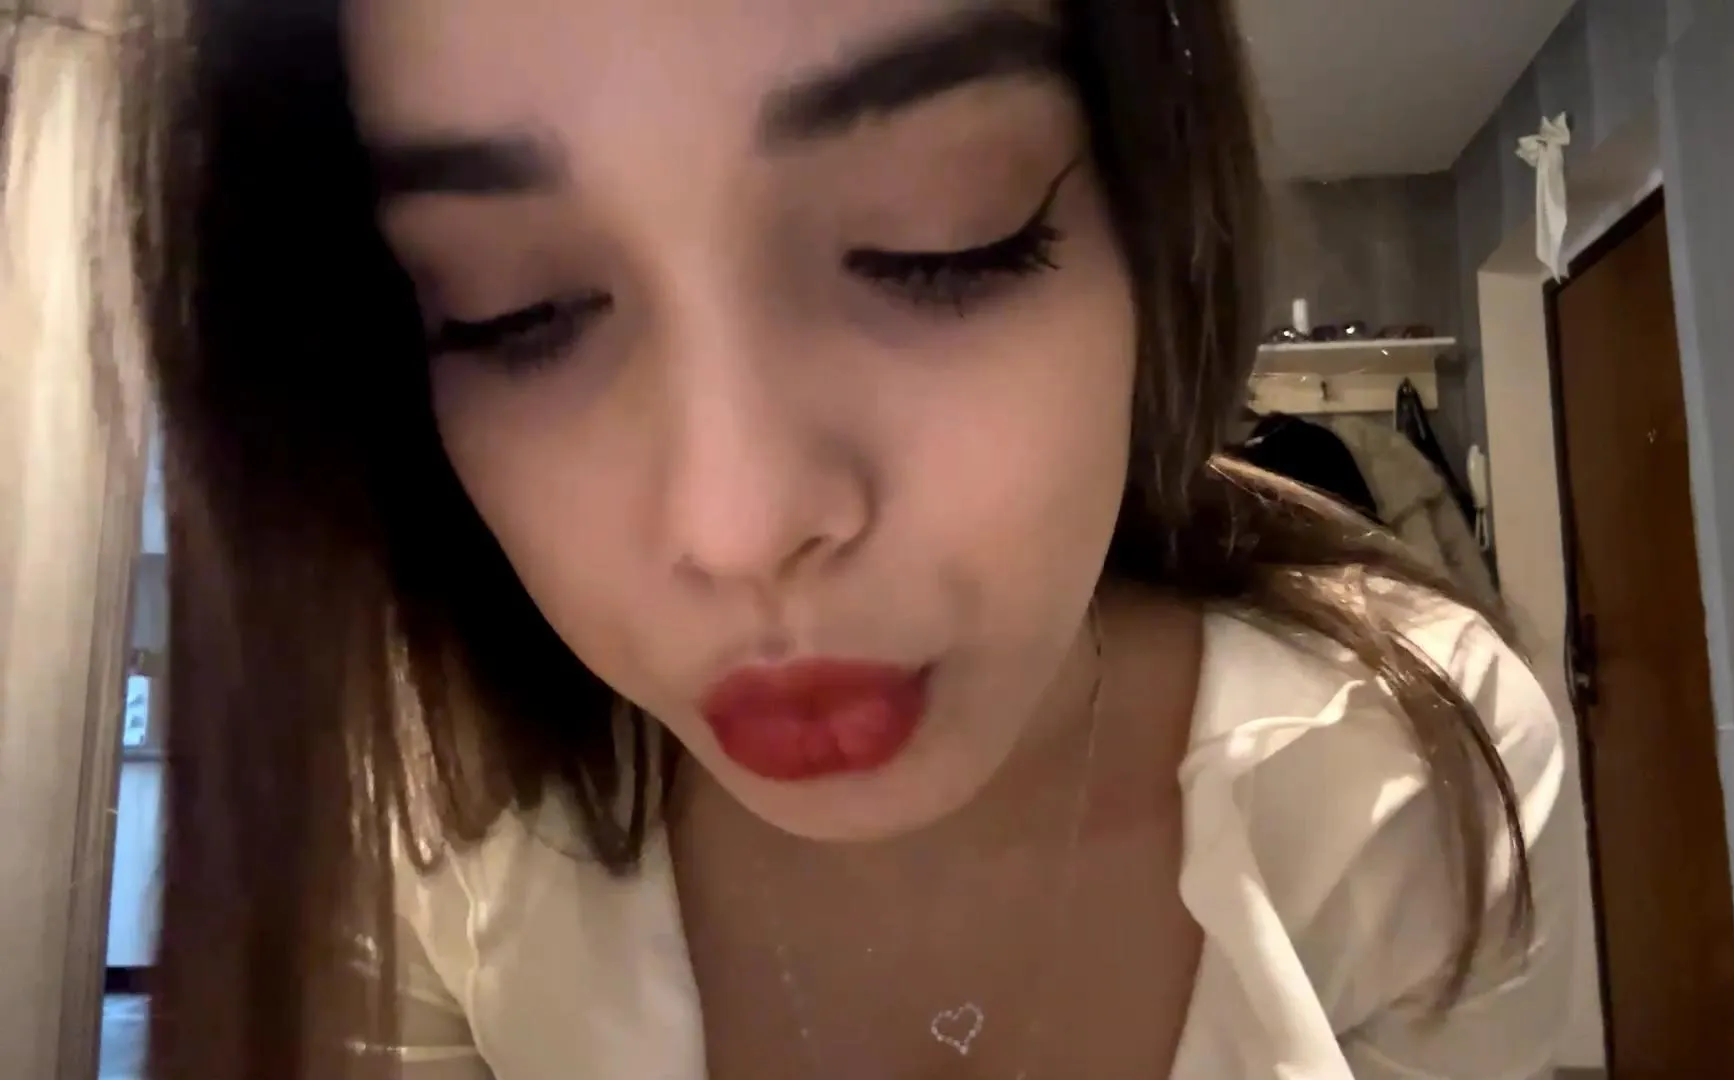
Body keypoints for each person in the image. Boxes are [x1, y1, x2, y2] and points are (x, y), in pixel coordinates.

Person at [128, 1, 1577, 1077]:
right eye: (511, 310)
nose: (739, 526)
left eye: (934, 240)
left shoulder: (1406, 784)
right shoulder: (423, 832)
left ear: (1158, 231)